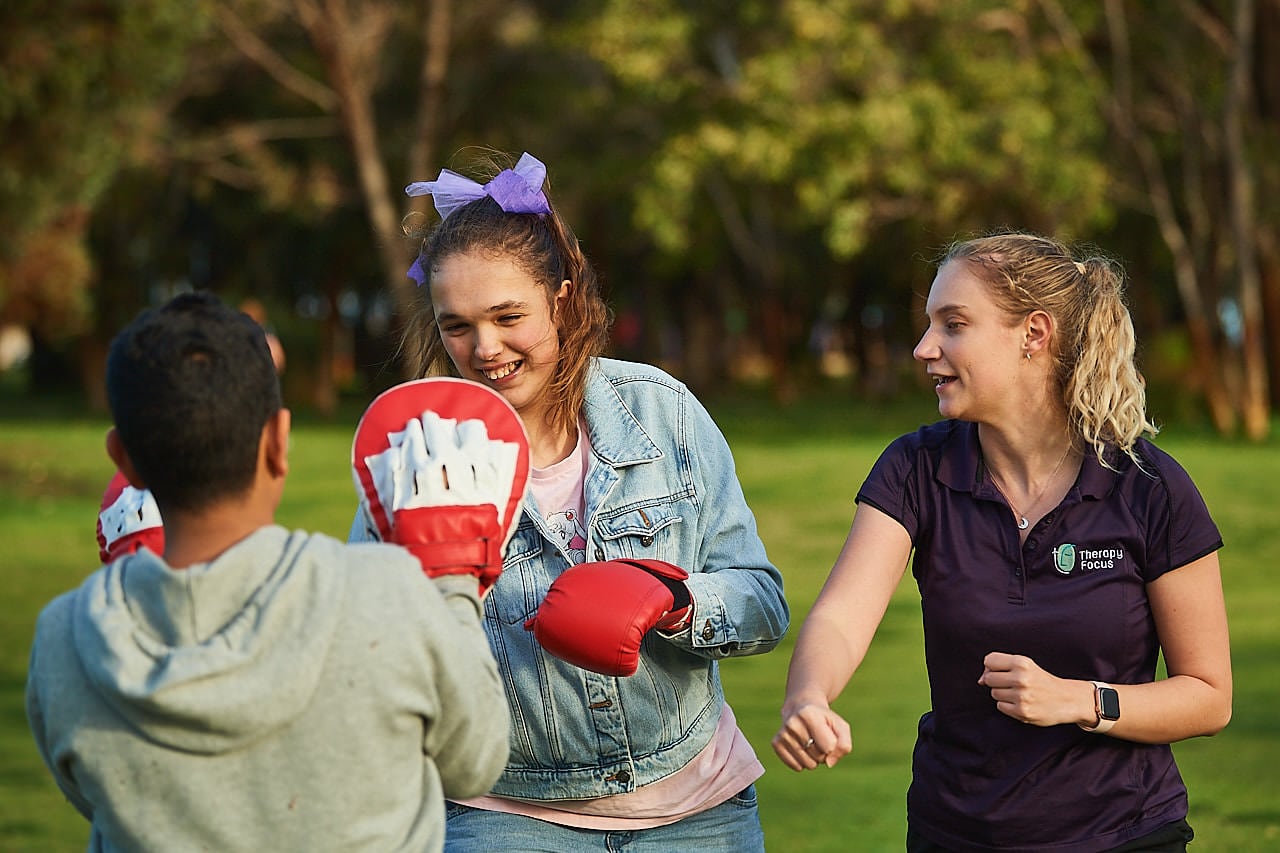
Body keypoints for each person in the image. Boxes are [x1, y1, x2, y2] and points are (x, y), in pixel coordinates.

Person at [350, 150, 790, 852]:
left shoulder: (663, 413)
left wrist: (673, 600)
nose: (484, 347)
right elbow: (366, 655)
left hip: (698, 809)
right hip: (501, 813)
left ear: (560, 296)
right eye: (456, 325)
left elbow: (762, 603)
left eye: (506, 315)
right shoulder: (417, 454)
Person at [773, 232, 1233, 853]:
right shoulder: (915, 470)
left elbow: (1209, 697)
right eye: (929, 324)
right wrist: (809, 695)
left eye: (953, 324)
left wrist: (1079, 700)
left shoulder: (1149, 489)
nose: (924, 348)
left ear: (1033, 335)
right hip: (954, 832)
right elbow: (841, 617)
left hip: (1125, 834)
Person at [26, 292, 514, 852]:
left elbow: (94, 796)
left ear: (123, 459)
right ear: (279, 442)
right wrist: (451, 585)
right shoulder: (387, 593)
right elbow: (474, 764)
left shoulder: (66, 636)